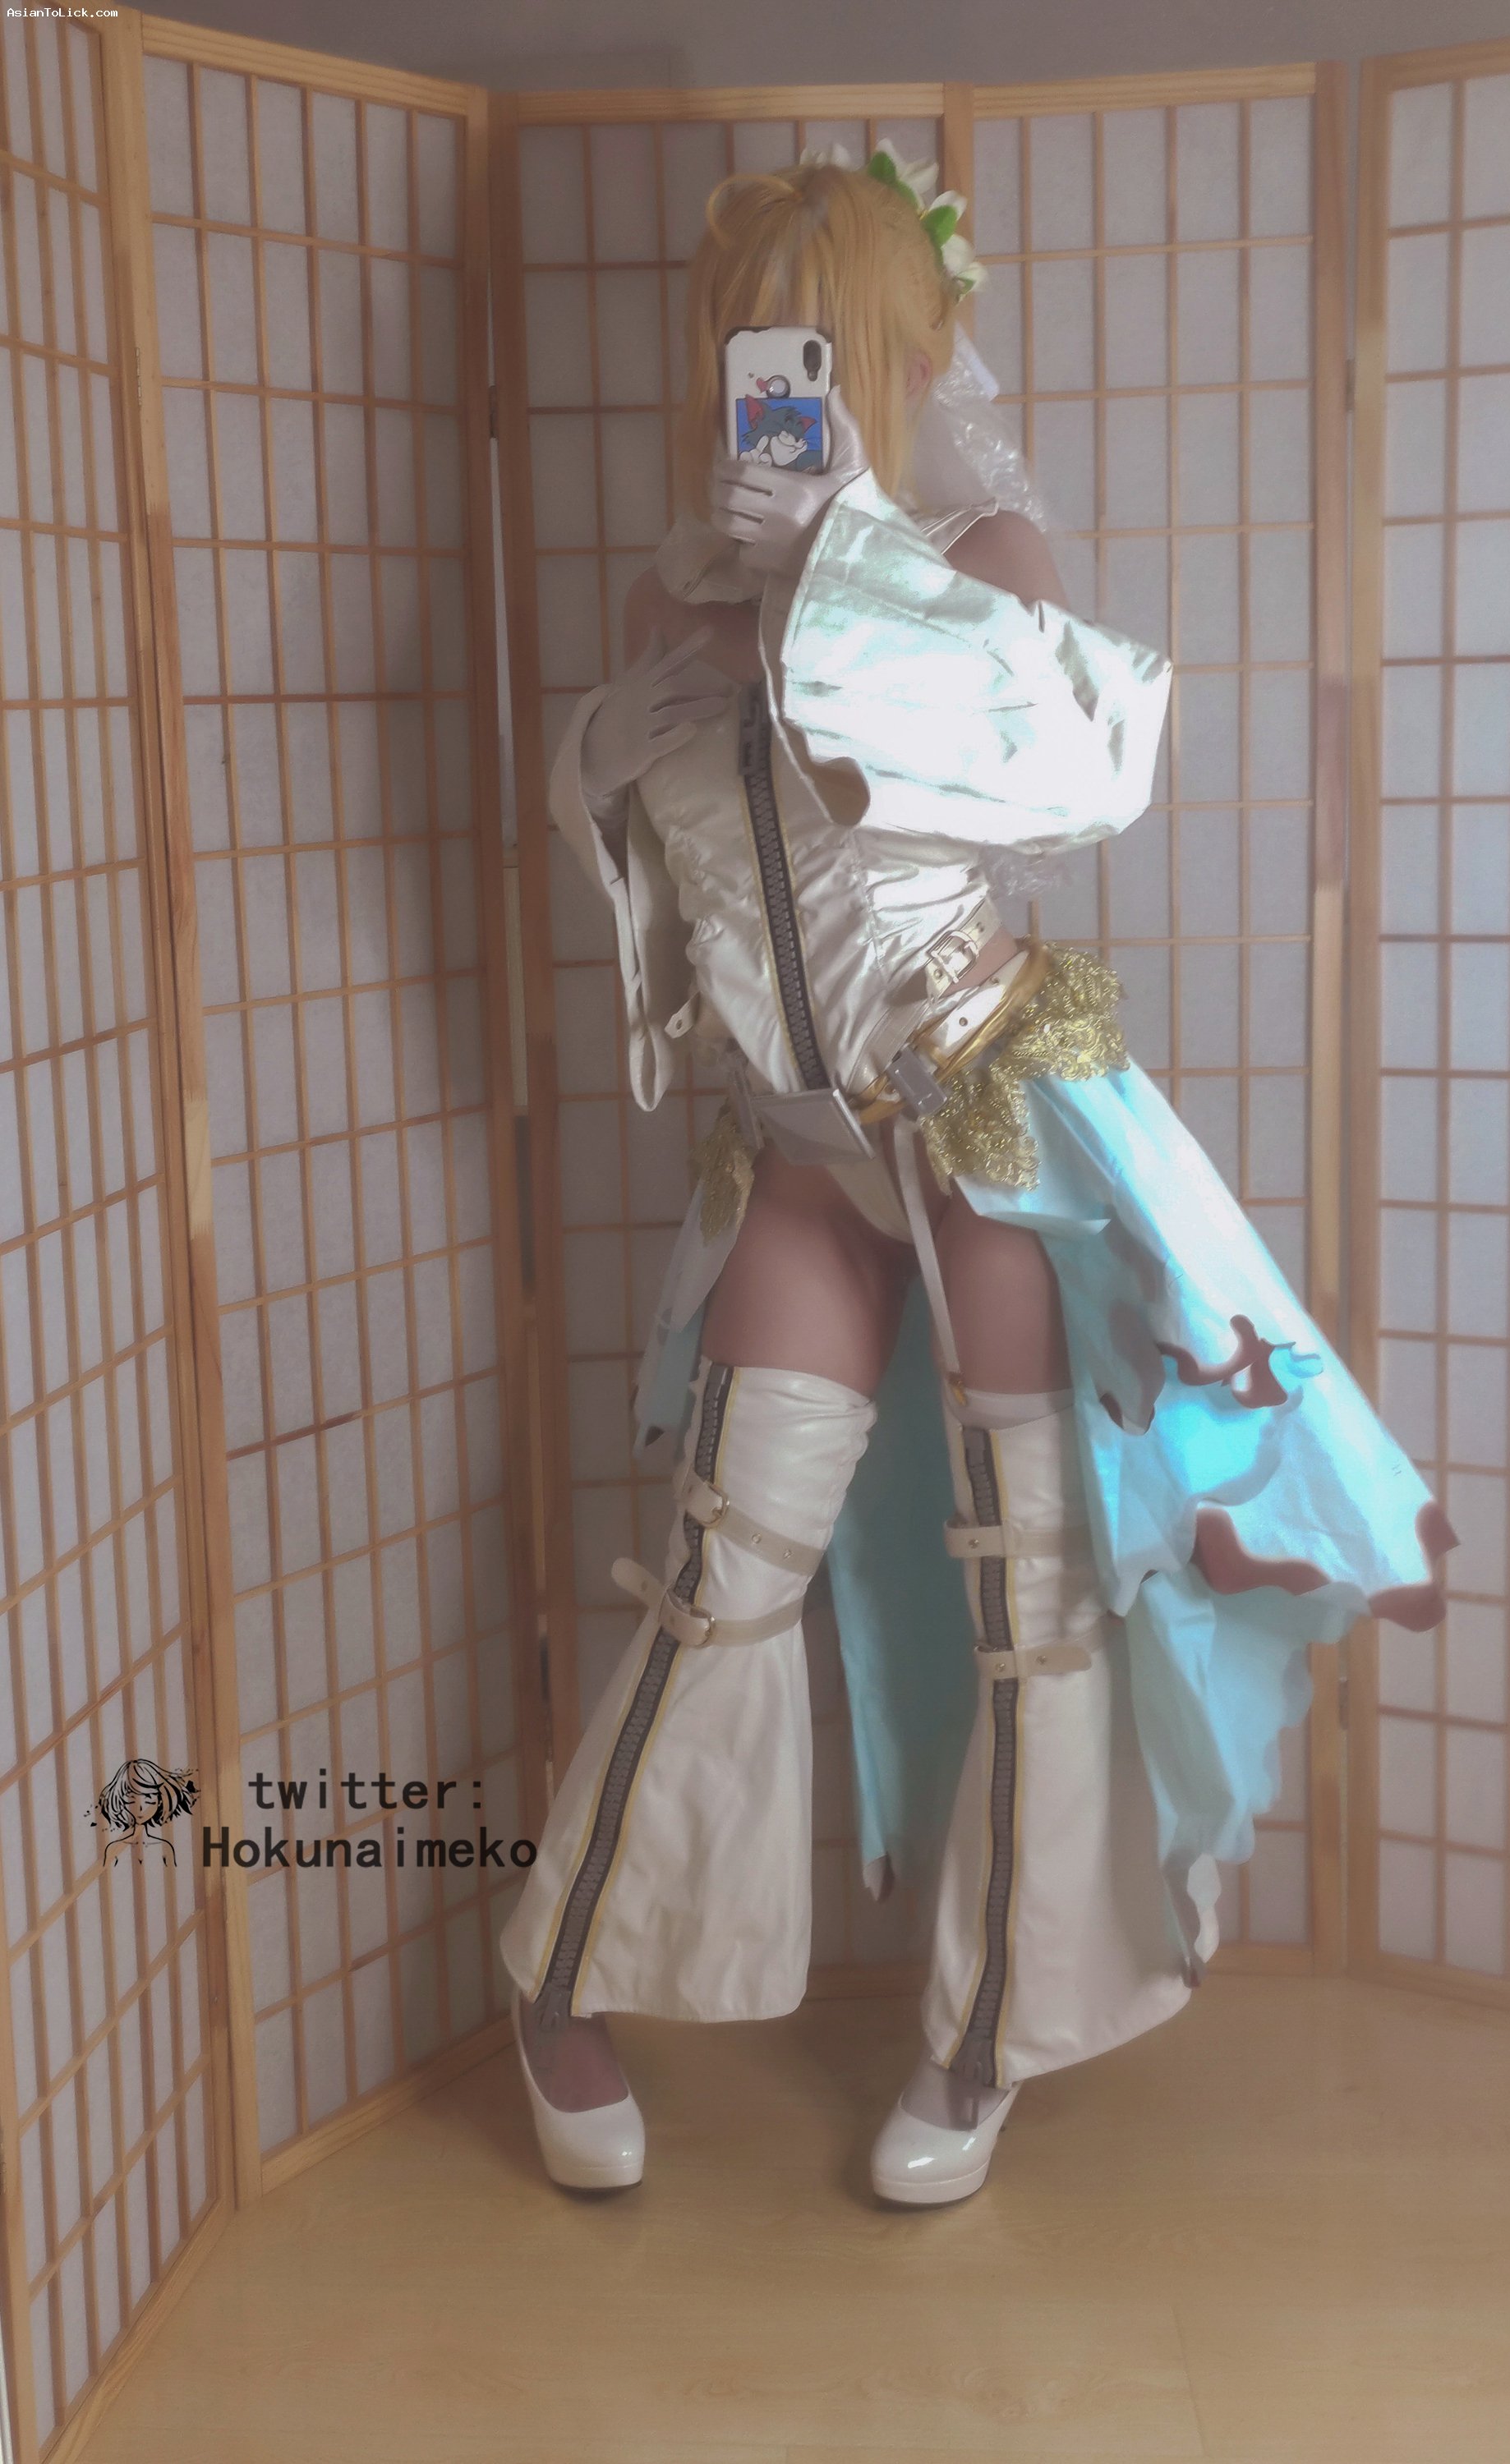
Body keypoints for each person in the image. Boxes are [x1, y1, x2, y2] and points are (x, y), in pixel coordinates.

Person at [499, 154, 1452, 2206]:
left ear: (889, 355)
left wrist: (847, 561)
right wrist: (603, 750)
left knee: (1035, 1590)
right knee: (721, 1570)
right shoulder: (669, 598)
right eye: (741, 331)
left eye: (814, 332)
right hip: (793, 1143)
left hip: (977, 1104)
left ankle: (989, 2024)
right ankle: (561, 1973)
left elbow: (1081, 766)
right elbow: (664, 881)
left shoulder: (974, 554)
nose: (776, 370)